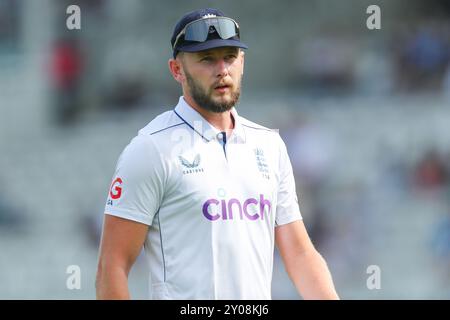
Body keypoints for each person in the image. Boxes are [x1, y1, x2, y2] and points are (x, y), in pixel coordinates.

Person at [96, 8, 339, 300]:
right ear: (177, 70)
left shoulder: (269, 145)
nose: (222, 69)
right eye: (206, 59)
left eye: (230, 57)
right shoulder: (151, 149)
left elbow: (299, 254)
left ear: (243, 62)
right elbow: (112, 266)